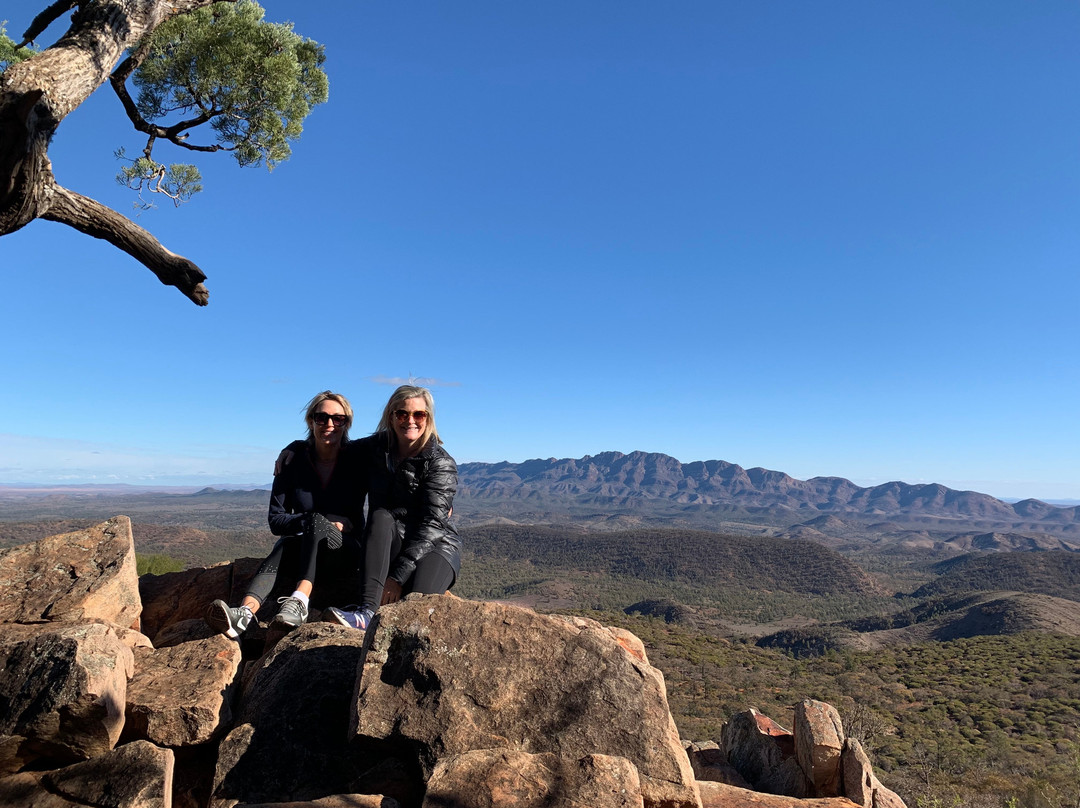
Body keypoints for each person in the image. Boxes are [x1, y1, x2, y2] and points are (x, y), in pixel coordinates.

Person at [205, 391, 365, 638]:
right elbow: (276, 520)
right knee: (288, 542)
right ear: (311, 421)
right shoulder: (292, 462)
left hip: (343, 551)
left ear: (347, 423)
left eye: (338, 419)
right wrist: (310, 521)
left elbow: (393, 447)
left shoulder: (358, 460)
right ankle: (245, 613)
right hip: (302, 547)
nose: (330, 424)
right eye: (321, 418)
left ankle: (300, 600)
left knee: (312, 524)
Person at [322, 384, 461, 630]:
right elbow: (332, 446)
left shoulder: (440, 463)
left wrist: (396, 577)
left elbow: (432, 526)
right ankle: (366, 612)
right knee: (381, 516)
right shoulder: (376, 448)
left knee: (413, 615)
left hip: (436, 547)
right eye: (402, 414)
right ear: (391, 416)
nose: (410, 421)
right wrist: (293, 451)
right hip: (392, 538)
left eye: (419, 414)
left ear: (428, 419)